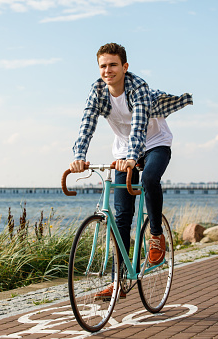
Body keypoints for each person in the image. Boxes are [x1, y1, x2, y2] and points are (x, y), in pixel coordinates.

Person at [70, 43, 192, 299]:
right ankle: (119, 282)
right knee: (122, 216)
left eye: (113, 65)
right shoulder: (98, 91)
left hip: (155, 145)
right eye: (103, 66)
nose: (108, 70)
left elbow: (138, 128)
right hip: (124, 153)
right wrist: (79, 157)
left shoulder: (138, 88)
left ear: (125, 67)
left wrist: (133, 157)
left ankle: (156, 236)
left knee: (148, 178)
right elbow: (87, 124)